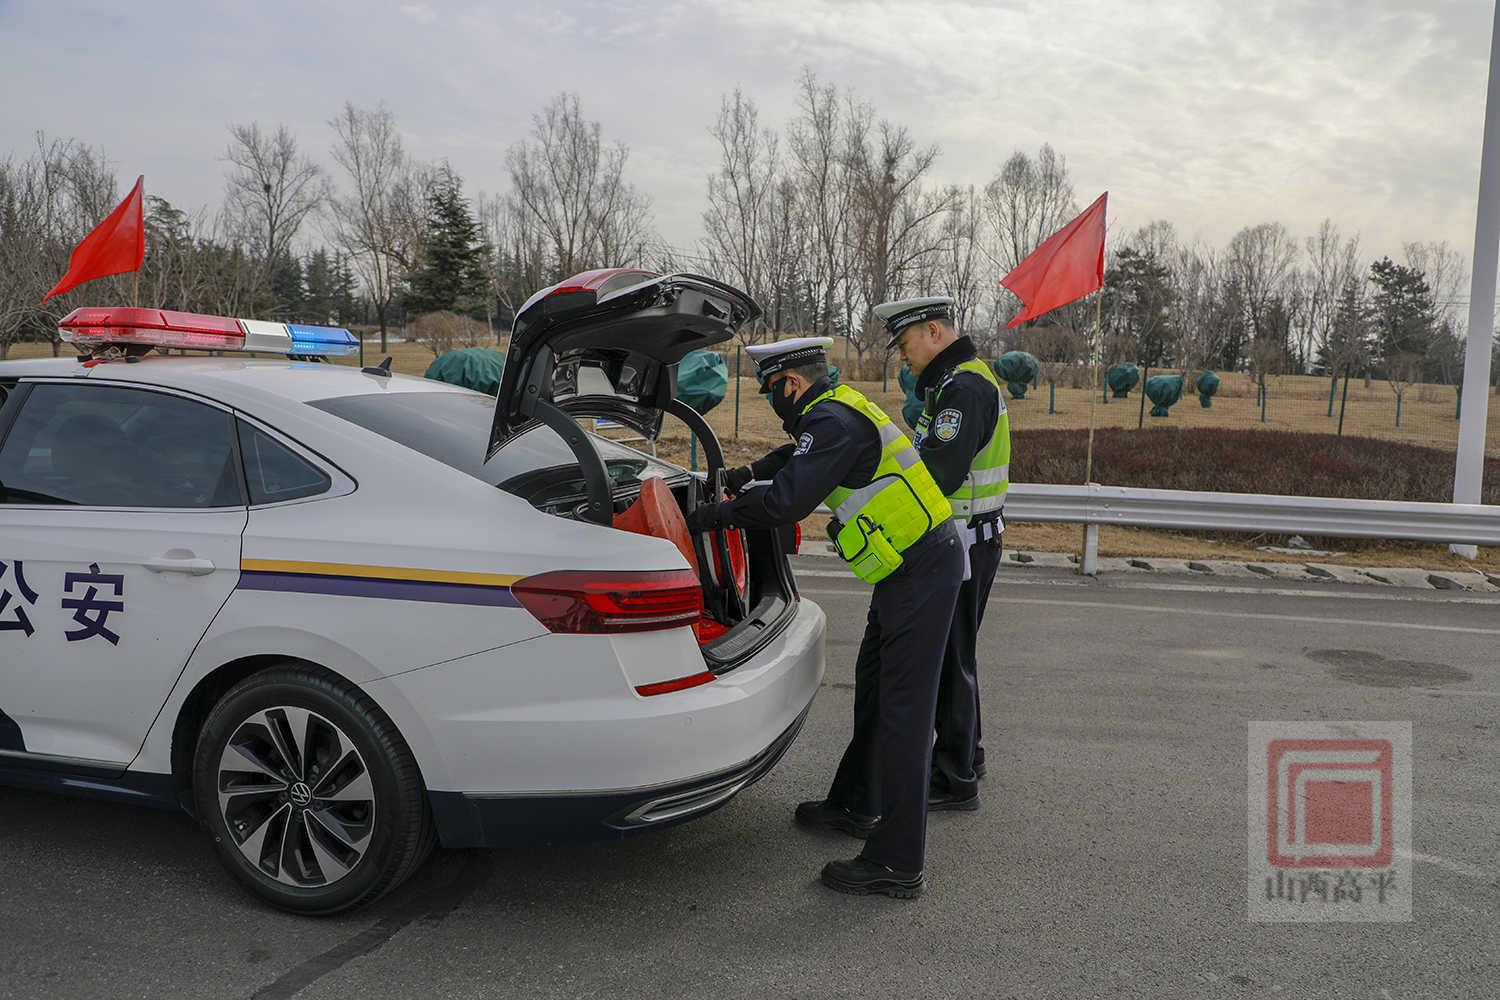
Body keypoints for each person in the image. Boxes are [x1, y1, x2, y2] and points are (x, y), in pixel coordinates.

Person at [686, 336, 962, 898]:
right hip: (910, 569)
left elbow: (785, 502)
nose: (772, 404)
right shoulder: (836, 409)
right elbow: (795, 456)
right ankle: (857, 803)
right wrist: (743, 473)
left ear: (791, 384)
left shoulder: (831, 422)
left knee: (905, 712)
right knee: (875, 689)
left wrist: (715, 515)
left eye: (771, 392)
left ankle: (897, 861)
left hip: (922, 570)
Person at [874, 296, 1010, 812]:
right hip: (972, 537)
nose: (902, 356)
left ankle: (954, 779)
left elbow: (941, 472)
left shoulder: (964, 388)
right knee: (959, 654)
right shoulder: (956, 382)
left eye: (904, 343)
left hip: (964, 540)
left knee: (950, 659)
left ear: (933, 332)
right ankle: (966, 754)